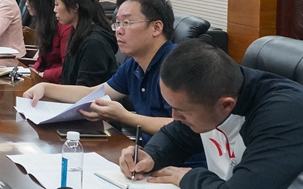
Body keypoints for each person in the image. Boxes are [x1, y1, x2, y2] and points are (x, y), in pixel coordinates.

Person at [24, 0, 205, 159]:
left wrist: (124, 116)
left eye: (127, 23)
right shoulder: (134, 64)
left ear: (156, 28)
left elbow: (184, 126)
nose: (119, 30)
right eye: (117, 23)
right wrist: (45, 88)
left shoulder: (179, 65)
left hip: (184, 165)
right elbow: (94, 93)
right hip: (151, 156)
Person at [120, 40, 303, 189]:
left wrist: (189, 177)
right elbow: (176, 136)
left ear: (226, 105)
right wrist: (150, 156)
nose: (175, 117)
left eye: (182, 111)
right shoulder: (213, 92)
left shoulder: (283, 115)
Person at [52, 0, 117, 86]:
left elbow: (85, 89)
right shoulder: (77, 32)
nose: (54, 9)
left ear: (74, 7)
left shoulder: (94, 43)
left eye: (57, 4)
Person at [23, 0, 71, 83]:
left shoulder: (64, 26)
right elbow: (41, 60)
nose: (26, 3)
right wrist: (31, 72)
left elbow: (67, 68)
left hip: (58, 84)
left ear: (40, 1)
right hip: (45, 80)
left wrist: (42, 75)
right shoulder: (44, 23)